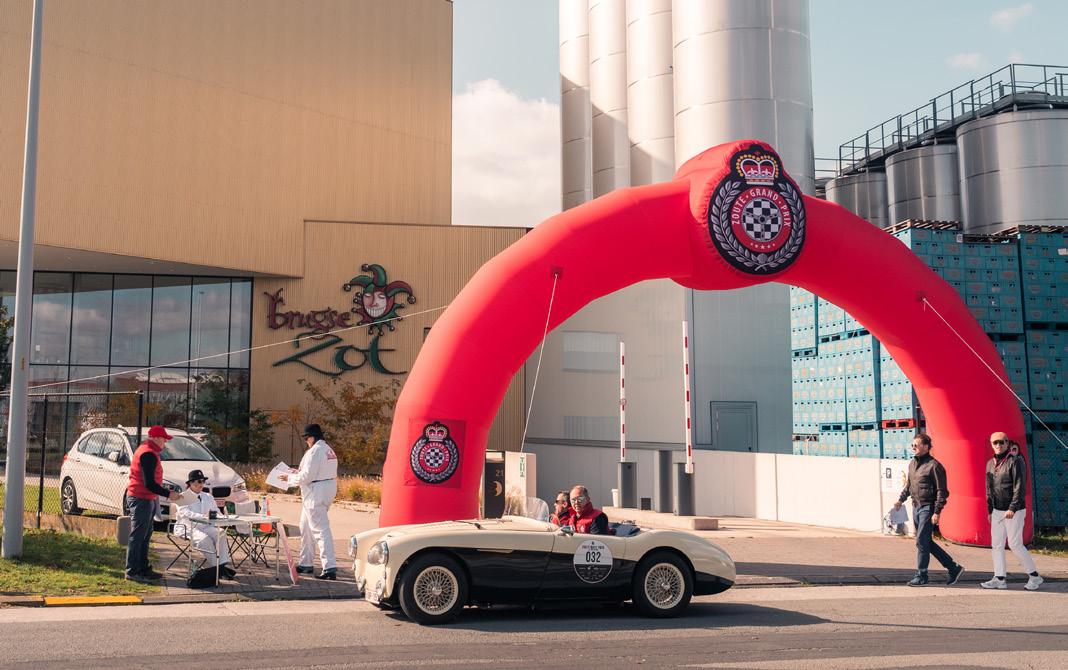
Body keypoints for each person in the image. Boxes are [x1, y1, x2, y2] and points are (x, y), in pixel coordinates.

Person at [894, 433, 965, 587]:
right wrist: (900, 500)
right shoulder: (912, 464)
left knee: (921, 541)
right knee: (924, 541)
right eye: (912, 445)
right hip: (916, 507)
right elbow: (909, 486)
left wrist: (937, 511)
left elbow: (942, 491)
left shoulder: (934, 466)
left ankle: (922, 575)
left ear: (926, 447)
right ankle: (953, 567)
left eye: (916, 445)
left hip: (928, 508)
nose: (913, 447)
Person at [983, 433, 1043, 591]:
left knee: (1015, 544)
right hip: (997, 510)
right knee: (996, 545)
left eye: (1001, 442)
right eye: (995, 442)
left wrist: (1012, 507)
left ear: (1007, 443)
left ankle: (1035, 576)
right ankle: (999, 578)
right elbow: (989, 489)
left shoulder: (1015, 461)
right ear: (991, 444)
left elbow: (1020, 486)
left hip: (1013, 510)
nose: (998, 445)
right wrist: (990, 510)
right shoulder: (990, 463)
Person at [280, 423, 338, 579]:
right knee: (305, 527)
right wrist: (297, 472)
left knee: (320, 530)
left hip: (315, 492)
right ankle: (306, 563)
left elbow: (307, 476)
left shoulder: (315, 451)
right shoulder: (327, 449)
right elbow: (315, 472)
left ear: (311, 437)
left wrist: (289, 478)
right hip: (323, 489)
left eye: (306, 438)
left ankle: (329, 567)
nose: (306, 441)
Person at [125, 425, 181, 582]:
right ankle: (132, 571)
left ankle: (143, 568)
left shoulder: (147, 450)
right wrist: (169, 494)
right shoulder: (148, 454)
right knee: (138, 536)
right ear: (156, 438)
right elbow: (149, 483)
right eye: (164, 439)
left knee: (145, 535)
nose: (165, 442)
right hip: (141, 498)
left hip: (146, 498)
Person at [174, 469, 236, 586]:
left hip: (206, 526)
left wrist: (224, 517)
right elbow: (186, 513)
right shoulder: (182, 497)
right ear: (190, 483)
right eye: (198, 481)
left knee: (221, 533)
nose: (201, 484)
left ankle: (221, 566)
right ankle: (219, 569)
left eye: (203, 481)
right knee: (204, 539)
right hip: (188, 527)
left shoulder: (208, 496)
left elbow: (216, 512)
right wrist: (203, 516)